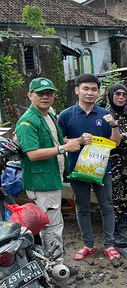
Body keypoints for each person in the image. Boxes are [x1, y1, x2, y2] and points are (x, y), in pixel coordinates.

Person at [57, 74, 123, 266]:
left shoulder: (105, 114)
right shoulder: (66, 115)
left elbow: (116, 143)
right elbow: (59, 141)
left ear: (98, 93)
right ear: (77, 90)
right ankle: (88, 244)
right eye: (86, 88)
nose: (90, 93)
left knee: (107, 206)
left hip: (103, 169)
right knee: (82, 207)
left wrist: (114, 125)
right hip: (77, 169)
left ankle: (109, 245)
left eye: (94, 89)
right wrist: (77, 141)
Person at [15, 78, 81, 265]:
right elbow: (33, 154)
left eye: (49, 93)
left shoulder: (47, 116)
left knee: (53, 222)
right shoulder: (27, 122)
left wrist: (74, 142)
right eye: (40, 93)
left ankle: (50, 263)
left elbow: (54, 142)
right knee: (51, 225)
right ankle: (54, 266)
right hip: (41, 182)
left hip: (51, 177)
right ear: (30, 95)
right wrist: (64, 149)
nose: (45, 97)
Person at [107, 83, 127, 246]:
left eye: (124, 94)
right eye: (117, 94)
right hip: (112, 163)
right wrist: (124, 134)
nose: (120, 97)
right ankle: (114, 231)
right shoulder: (105, 115)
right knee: (113, 196)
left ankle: (124, 227)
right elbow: (106, 139)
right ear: (110, 95)